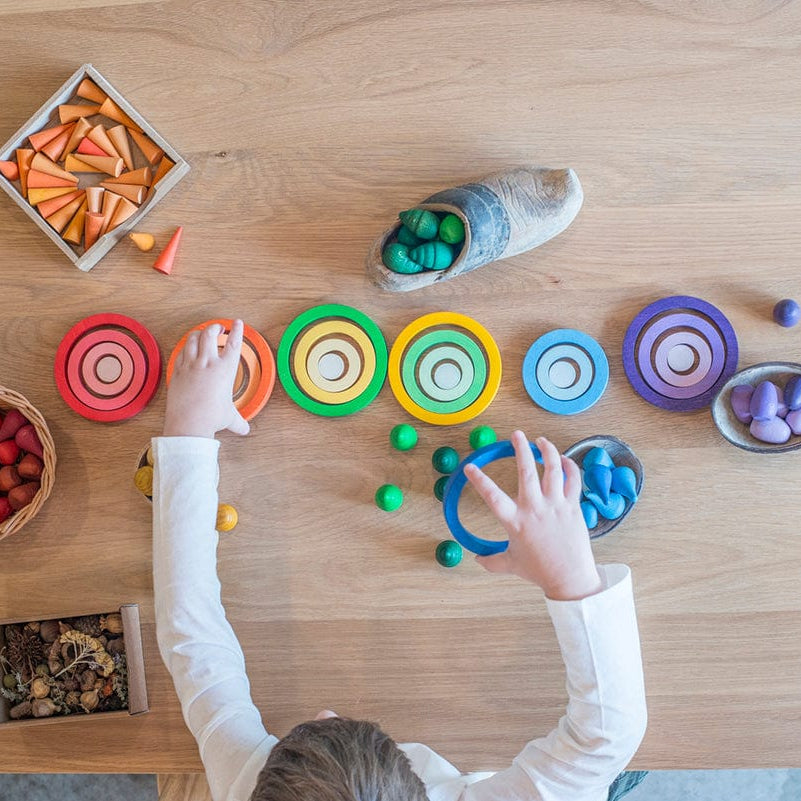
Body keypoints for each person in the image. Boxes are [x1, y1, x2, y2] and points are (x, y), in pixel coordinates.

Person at [153, 320, 648, 801]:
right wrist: (570, 577)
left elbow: (191, 632)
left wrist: (188, 431)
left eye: (304, 734)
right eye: (345, 726)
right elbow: (606, 738)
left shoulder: (245, 783)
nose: (326, 710)